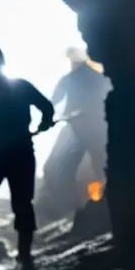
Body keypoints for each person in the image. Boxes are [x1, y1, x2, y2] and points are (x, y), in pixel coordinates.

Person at [0, 45, 55, 263]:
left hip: (19, 151)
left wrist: (45, 121)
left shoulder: (18, 87)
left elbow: (46, 107)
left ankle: (24, 252)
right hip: (2, 152)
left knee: (22, 202)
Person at [41, 47, 111, 211]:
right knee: (64, 163)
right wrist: (47, 118)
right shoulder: (74, 79)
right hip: (79, 124)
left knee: (97, 160)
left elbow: (109, 93)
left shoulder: (92, 78)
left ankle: (103, 198)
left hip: (90, 124)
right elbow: (54, 101)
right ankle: (69, 204)